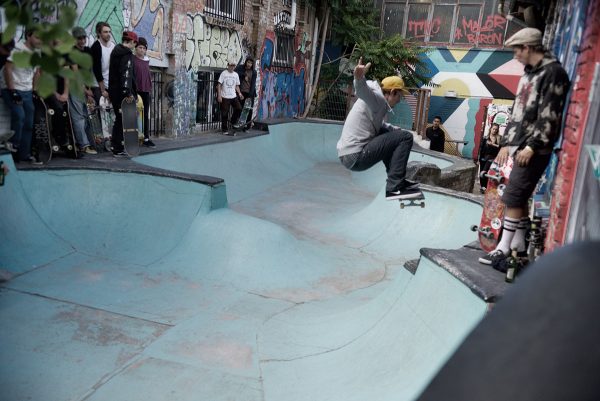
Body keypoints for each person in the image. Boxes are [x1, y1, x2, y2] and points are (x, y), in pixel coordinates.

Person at [478, 27, 570, 265]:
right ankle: (517, 243)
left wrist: (532, 146)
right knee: (516, 195)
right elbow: (518, 111)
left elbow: (550, 115)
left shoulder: (553, 73)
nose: (514, 55)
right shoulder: (530, 74)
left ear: (528, 47)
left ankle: (504, 248)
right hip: (519, 145)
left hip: (534, 149)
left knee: (513, 196)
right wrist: (506, 143)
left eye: (517, 50)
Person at [337, 57, 420, 200]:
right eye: (399, 96)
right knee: (406, 138)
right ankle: (395, 187)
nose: (399, 100)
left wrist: (396, 132)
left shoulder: (377, 103)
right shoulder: (378, 99)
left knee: (393, 134)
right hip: (356, 156)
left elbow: (381, 126)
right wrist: (359, 77)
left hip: (347, 155)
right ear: (392, 92)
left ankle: (396, 181)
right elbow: (362, 91)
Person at [0, 29, 41, 164]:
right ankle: (13, 148)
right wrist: (12, 91)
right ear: (29, 36)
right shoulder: (17, 48)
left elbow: (37, 72)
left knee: (29, 122)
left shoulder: (37, 52)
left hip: (27, 90)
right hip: (11, 88)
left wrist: (35, 90)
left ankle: (24, 154)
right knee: (19, 115)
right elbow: (8, 69)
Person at [68, 26, 97, 155]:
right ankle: (83, 145)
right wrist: (85, 90)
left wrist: (89, 90)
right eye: (79, 38)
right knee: (78, 117)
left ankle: (87, 143)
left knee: (85, 116)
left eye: (83, 37)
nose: (82, 40)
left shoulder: (88, 51)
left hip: (85, 87)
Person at [108, 31, 137, 157]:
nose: (134, 46)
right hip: (122, 92)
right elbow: (125, 74)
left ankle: (116, 145)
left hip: (114, 91)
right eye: (135, 44)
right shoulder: (127, 54)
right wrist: (127, 93)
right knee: (122, 120)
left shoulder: (115, 51)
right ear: (132, 42)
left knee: (119, 119)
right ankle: (117, 147)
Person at [133, 37, 155, 148]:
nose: (142, 50)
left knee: (145, 115)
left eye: (144, 48)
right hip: (135, 91)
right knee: (133, 115)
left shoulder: (147, 60)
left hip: (145, 91)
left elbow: (147, 76)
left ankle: (146, 138)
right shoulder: (132, 60)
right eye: (140, 47)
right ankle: (133, 137)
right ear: (136, 48)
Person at [90, 22, 114, 104]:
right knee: (102, 111)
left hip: (110, 85)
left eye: (109, 32)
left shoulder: (112, 46)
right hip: (98, 85)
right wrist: (103, 90)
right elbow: (97, 70)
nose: (108, 34)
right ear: (99, 33)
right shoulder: (96, 47)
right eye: (105, 32)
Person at [217, 59, 243, 134]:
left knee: (239, 108)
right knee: (225, 113)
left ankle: (232, 121)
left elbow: (237, 86)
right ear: (228, 65)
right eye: (231, 66)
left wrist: (240, 94)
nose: (232, 67)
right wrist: (219, 95)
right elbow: (219, 85)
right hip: (225, 96)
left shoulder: (236, 75)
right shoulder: (224, 73)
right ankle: (224, 129)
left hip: (233, 96)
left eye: (233, 66)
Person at [478, 123, 501, 192]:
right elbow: (481, 149)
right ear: (490, 129)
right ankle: (483, 187)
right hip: (483, 158)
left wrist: (492, 144)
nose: (494, 130)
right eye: (493, 129)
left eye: (496, 129)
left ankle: (486, 187)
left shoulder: (499, 138)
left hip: (492, 159)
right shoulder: (485, 138)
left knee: (486, 172)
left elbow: (500, 148)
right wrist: (479, 159)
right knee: (482, 172)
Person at [235, 56, 257, 124]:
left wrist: (250, 95)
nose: (249, 64)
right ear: (246, 62)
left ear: (252, 64)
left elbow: (253, 84)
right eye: (248, 62)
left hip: (250, 93)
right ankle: (237, 123)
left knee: (249, 110)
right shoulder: (241, 68)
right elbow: (235, 73)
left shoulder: (254, 72)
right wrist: (244, 74)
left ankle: (247, 126)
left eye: (251, 63)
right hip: (241, 92)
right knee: (239, 108)